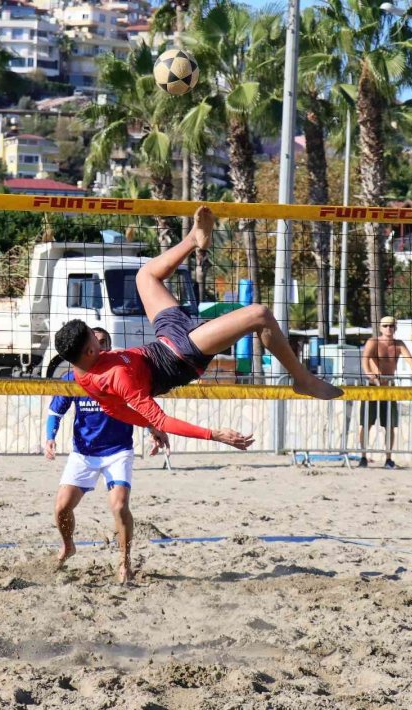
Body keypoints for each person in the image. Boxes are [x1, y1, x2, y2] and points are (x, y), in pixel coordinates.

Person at [54, 205, 342, 448]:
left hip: (165, 338)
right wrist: (213, 435)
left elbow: (117, 411)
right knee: (259, 314)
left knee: (145, 276)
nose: (100, 337)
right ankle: (302, 379)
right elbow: (161, 418)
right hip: (182, 355)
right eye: (95, 339)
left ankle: (194, 238)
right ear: (90, 351)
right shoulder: (118, 379)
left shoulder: (82, 374)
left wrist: (148, 426)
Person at [46, 327, 167, 584]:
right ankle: (68, 545)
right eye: (95, 343)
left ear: (108, 347)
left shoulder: (121, 374)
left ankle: (124, 562)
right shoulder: (73, 378)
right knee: (61, 508)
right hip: (84, 453)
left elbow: (140, 405)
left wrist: (154, 429)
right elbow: (55, 411)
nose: (98, 348)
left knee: (119, 506)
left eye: (103, 343)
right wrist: (50, 437)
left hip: (118, 451)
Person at [358, 315, 412, 469]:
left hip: (389, 387)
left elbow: (410, 359)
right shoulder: (373, 342)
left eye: (391, 326)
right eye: (385, 326)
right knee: (366, 424)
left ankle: (388, 458)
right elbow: (365, 359)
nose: (388, 328)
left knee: (390, 425)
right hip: (372, 388)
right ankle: (363, 457)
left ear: (395, 328)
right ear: (380, 328)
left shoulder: (398, 344)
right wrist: (369, 374)